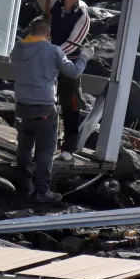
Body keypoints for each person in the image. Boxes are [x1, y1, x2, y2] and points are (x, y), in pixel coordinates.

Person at [10, 16, 90, 202]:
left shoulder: (17, 48)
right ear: (48, 34)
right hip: (44, 107)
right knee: (46, 149)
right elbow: (73, 72)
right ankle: (42, 191)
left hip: (21, 106)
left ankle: (25, 186)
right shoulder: (53, 50)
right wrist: (85, 56)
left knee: (24, 146)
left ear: (31, 31)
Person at [37, 0, 91, 161]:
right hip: (50, 60)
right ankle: (44, 143)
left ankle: (69, 147)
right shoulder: (54, 3)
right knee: (45, 101)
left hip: (70, 63)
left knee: (71, 105)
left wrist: (51, 55)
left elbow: (73, 43)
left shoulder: (83, 16)